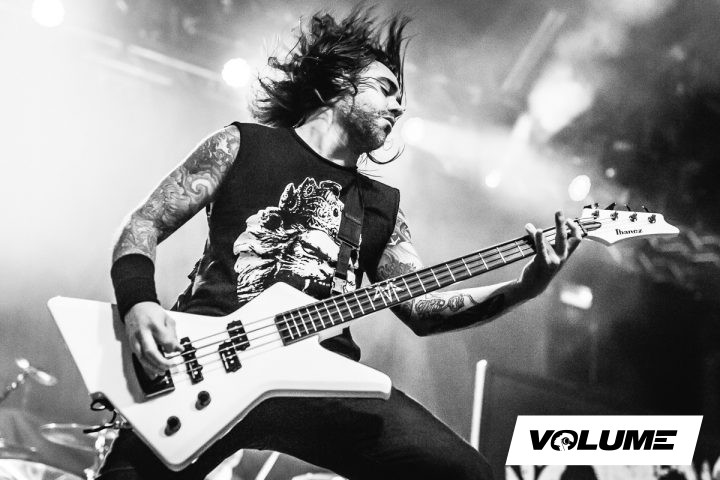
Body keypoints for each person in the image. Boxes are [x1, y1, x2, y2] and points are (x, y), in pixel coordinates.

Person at [103, 7, 582, 480]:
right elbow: (144, 223)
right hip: (209, 360)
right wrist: (138, 302)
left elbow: (423, 310)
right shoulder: (240, 144)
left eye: (401, 98)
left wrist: (524, 288)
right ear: (339, 82)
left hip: (322, 376)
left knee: (467, 474)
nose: (399, 108)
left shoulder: (380, 206)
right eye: (385, 89)